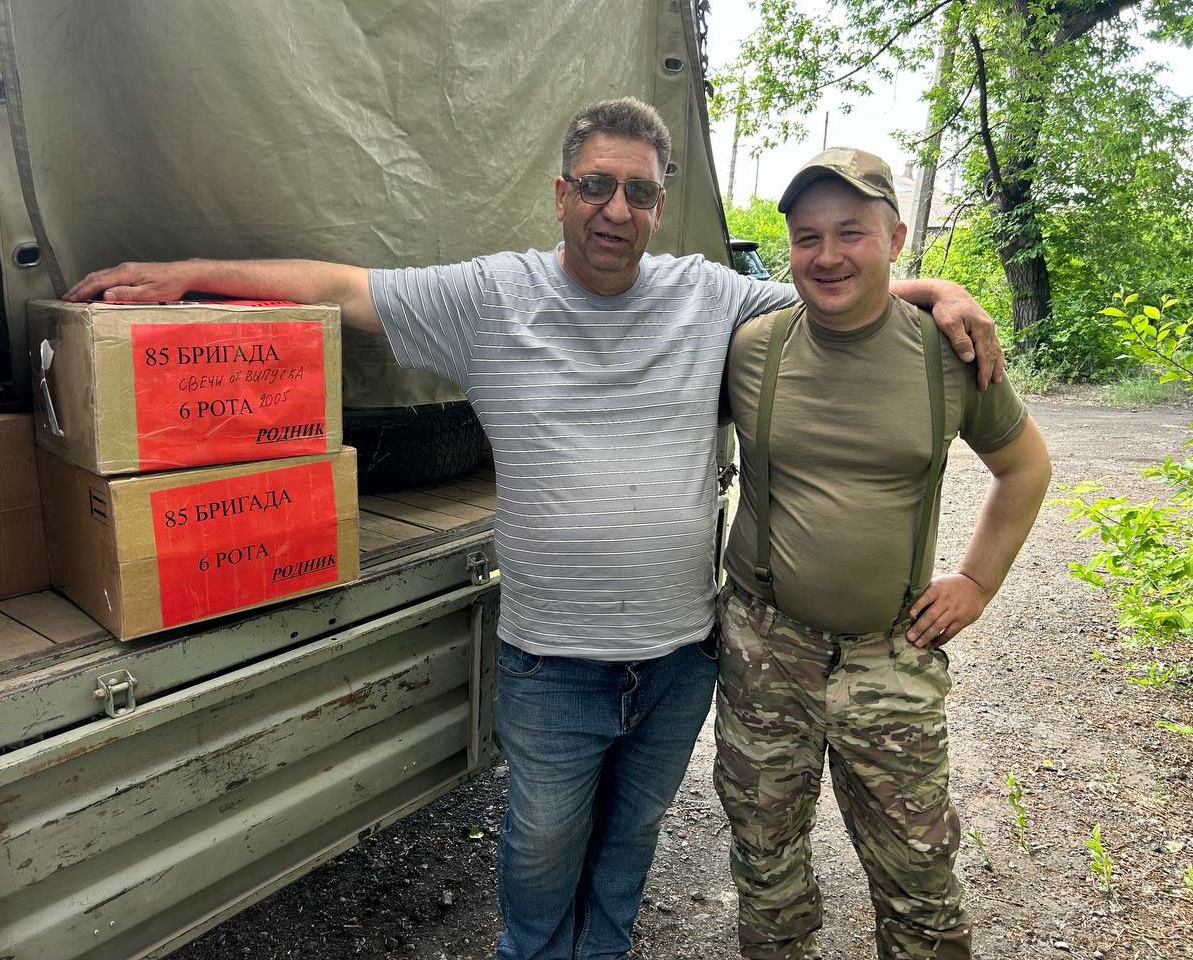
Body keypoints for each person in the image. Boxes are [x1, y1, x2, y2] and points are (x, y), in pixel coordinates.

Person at [65, 100, 1003, 960]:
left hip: (680, 660)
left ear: (660, 206)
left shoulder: (711, 298)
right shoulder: (489, 299)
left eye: (638, 191)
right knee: (541, 860)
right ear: (562, 193)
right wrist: (190, 276)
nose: (615, 208)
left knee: (630, 850)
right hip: (553, 664)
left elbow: (841, 290)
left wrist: (937, 291)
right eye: (596, 184)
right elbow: (341, 287)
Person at [716, 147, 1052, 960]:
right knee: (766, 867)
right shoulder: (751, 347)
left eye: (851, 233)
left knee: (920, 879)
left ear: (896, 237)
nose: (827, 255)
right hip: (767, 649)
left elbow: (1025, 467)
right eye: (806, 237)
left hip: (891, 657)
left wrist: (976, 580)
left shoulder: (952, 355)